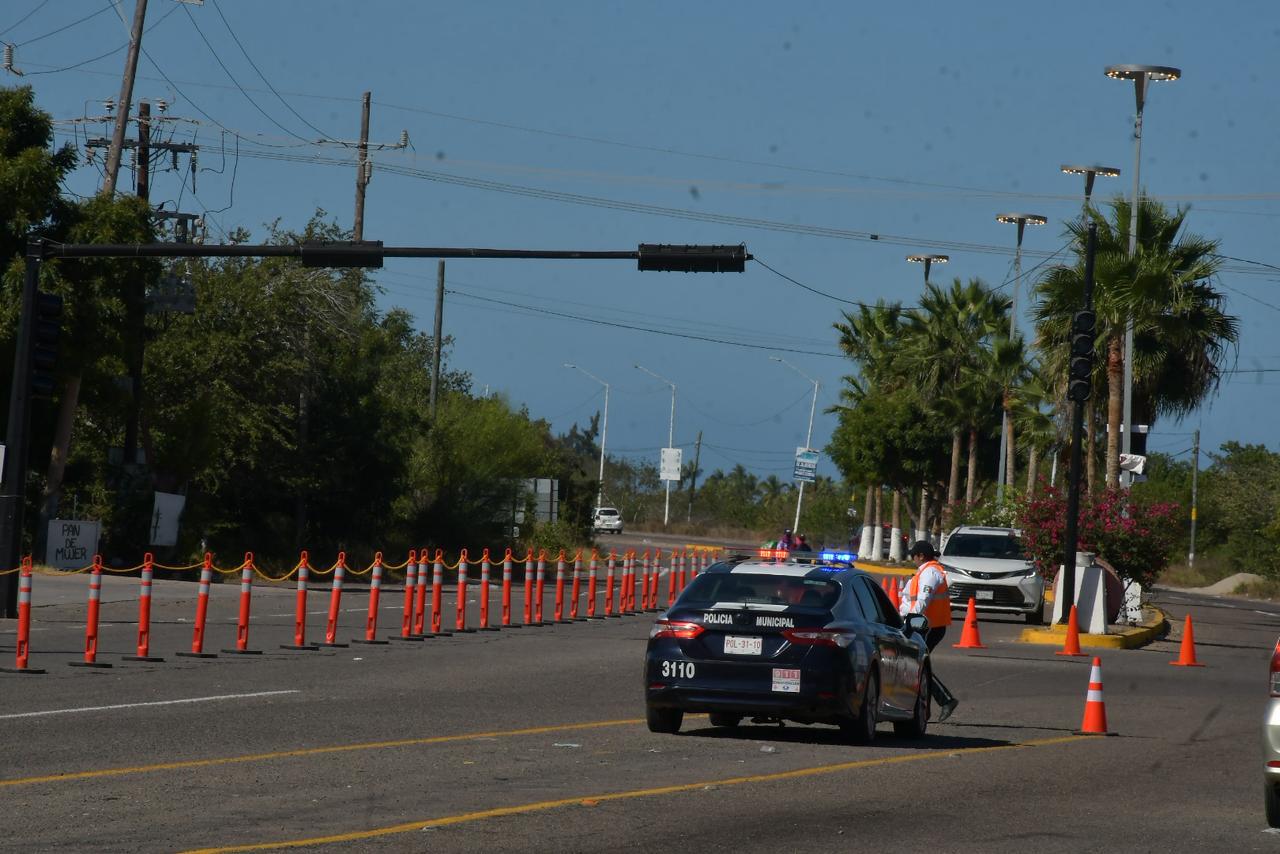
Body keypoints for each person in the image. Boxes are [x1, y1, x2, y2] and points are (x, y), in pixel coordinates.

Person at [900, 540, 959, 722]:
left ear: (921, 556)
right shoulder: (924, 572)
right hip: (922, 624)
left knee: (917, 666)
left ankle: (945, 700)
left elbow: (923, 600)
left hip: (926, 626)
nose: (912, 559)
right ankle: (928, 709)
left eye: (913, 556)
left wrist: (909, 623)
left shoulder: (931, 573)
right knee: (917, 666)